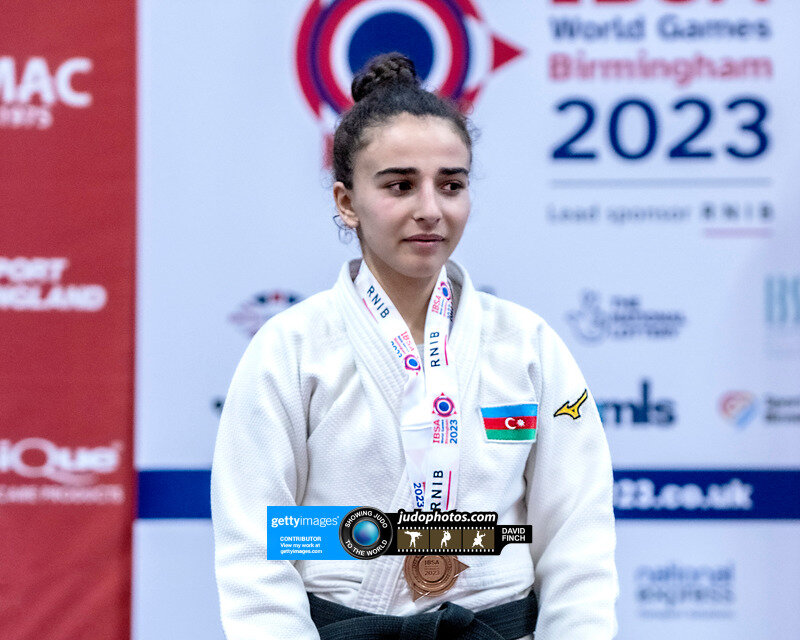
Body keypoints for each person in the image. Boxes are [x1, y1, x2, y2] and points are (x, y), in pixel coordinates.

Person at [211, 52, 618, 640]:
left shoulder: (528, 346)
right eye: (400, 186)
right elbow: (254, 551)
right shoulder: (290, 349)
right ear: (346, 202)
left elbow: (578, 538)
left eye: (451, 185)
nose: (430, 210)